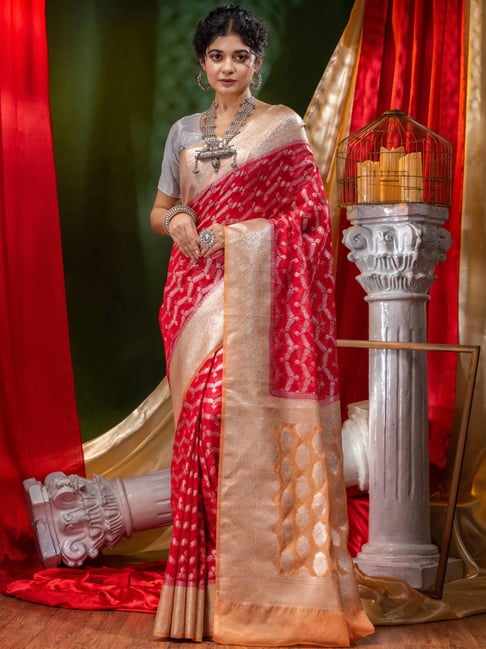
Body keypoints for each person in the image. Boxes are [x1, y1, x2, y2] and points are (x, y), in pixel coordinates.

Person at [150, 4, 374, 646]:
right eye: (217, 56)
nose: (228, 67)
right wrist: (179, 219)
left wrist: (242, 236)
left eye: (240, 57)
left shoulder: (283, 128)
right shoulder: (182, 134)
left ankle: (265, 590)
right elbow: (160, 211)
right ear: (202, 64)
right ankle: (206, 593)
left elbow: (309, 220)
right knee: (198, 430)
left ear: (256, 62)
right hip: (192, 296)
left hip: (259, 297)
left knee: (225, 420)